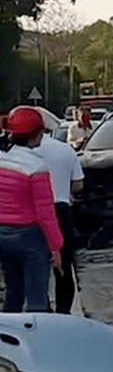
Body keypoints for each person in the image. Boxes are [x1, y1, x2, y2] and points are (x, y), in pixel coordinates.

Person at [0, 107, 63, 312]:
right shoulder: (36, 166)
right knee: (37, 298)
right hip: (29, 236)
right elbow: (45, 212)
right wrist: (56, 247)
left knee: (13, 292)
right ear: (36, 134)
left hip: (2, 234)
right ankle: (37, 340)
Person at [34, 131, 84, 313]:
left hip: (31, 212)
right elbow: (78, 185)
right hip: (60, 210)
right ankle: (63, 311)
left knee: (35, 263)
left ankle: (41, 307)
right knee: (63, 264)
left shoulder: (19, 154)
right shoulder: (65, 150)